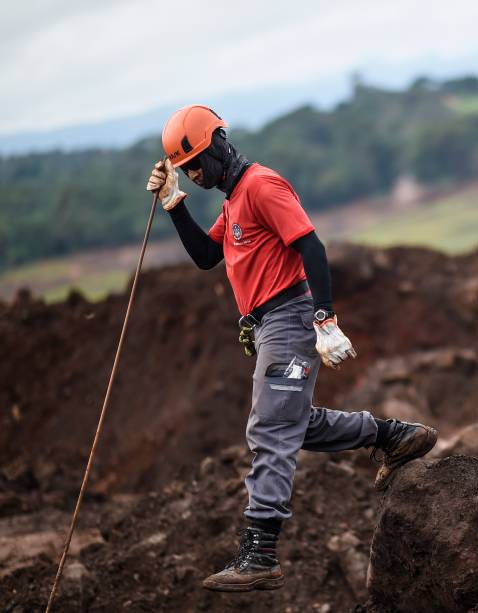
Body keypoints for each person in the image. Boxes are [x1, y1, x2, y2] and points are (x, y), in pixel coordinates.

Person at [145, 105, 438, 592]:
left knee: (269, 428)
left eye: (197, 163)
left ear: (218, 145)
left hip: (289, 318)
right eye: (187, 168)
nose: (195, 174)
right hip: (266, 328)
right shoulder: (234, 200)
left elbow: (312, 247)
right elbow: (205, 257)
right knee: (288, 422)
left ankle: (259, 552)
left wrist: (324, 319)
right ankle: (393, 435)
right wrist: (174, 204)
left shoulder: (261, 186)